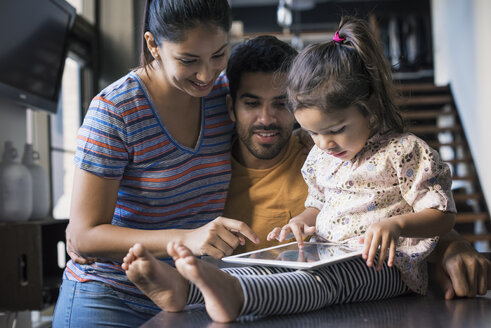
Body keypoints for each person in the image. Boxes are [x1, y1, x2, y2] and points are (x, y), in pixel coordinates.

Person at [120, 17, 467, 323]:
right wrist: (302, 221)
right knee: (258, 267)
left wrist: (400, 225)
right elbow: (320, 204)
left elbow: (441, 212)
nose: (325, 143)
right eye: (314, 132)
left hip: (383, 265)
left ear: (370, 108)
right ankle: (183, 289)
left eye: (335, 130)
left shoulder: (404, 151)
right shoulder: (320, 154)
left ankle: (239, 299)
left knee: (322, 285)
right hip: (328, 251)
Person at [52, 1, 259, 327]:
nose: (206, 74)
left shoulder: (225, 96)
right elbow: (82, 236)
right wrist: (186, 238)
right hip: (109, 295)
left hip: (192, 294)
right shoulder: (115, 110)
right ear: (153, 45)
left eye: (218, 55)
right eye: (188, 60)